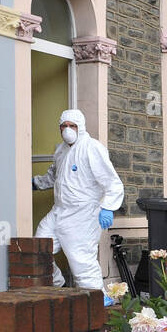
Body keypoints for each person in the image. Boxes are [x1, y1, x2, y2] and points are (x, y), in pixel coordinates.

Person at [33, 109, 124, 292]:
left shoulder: (92, 148)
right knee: (38, 249)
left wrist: (108, 207)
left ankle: (97, 301)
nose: (68, 130)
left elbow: (112, 181)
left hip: (83, 214)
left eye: (72, 126)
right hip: (59, 210)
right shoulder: (61, 150)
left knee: (81, 262)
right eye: (64, 126)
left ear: (80, 127)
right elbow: (55, 176)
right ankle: (60, 286)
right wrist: (36, 183)